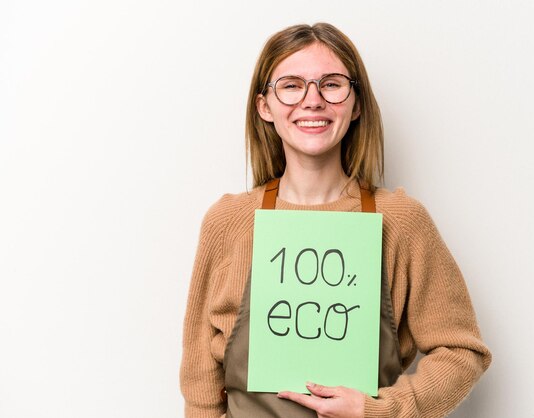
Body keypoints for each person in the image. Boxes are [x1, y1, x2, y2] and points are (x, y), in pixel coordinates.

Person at [180, 22, 491, 418]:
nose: (313, 101)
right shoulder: (229, 222)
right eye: (291, 85)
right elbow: (200, 384)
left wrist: (382, 410)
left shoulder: (400, 221)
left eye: (331, 84)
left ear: (356, 103)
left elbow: (463, 352)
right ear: (264, 106)